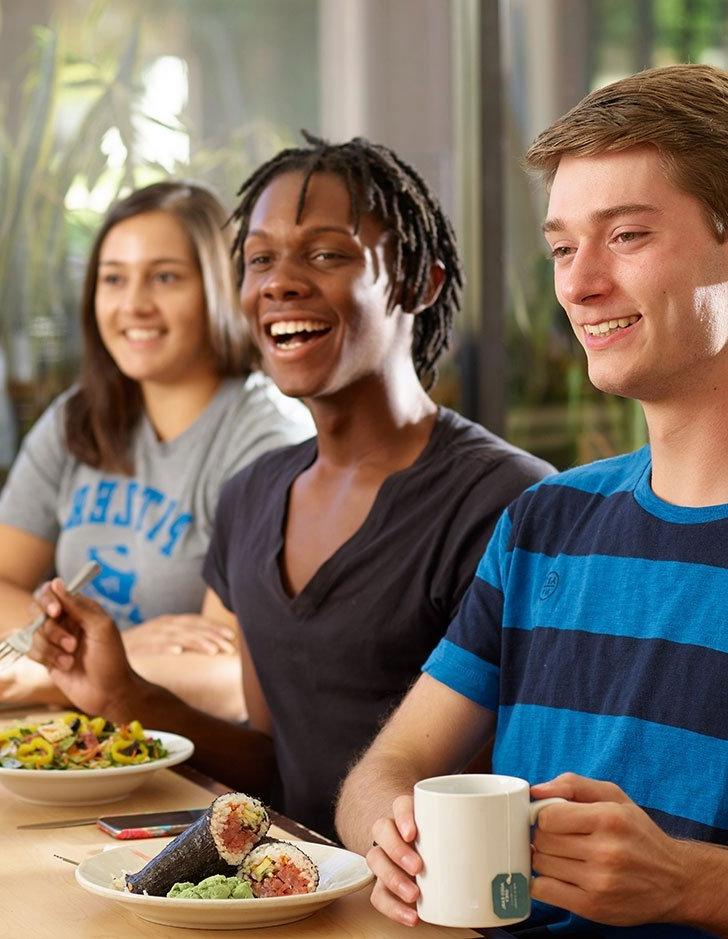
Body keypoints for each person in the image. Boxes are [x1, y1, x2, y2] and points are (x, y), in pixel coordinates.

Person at [26, 134, 553, 839]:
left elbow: (500, 804)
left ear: (419, 283)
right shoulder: (250, 496)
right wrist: (125, 693)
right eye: (260, 260)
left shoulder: (507, 503)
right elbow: (274, 767)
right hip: (296, 888)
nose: (280, 281)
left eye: (327, 254)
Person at [336, 63, 728, 938]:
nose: (578, 285)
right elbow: (384, 767)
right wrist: (387, 832)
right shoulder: (544, 523)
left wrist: (691, 884)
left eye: (626, 236)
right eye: (561, 247)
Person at [0, 180, 313, 718]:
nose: (133, 305)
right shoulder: (76, 419)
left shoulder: (267, 438)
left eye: (164, 277)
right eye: (113, 279)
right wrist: (126, 645)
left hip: (200, 770)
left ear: (219, 284)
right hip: (71, 739)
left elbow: (233, 670)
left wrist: (41, 668)